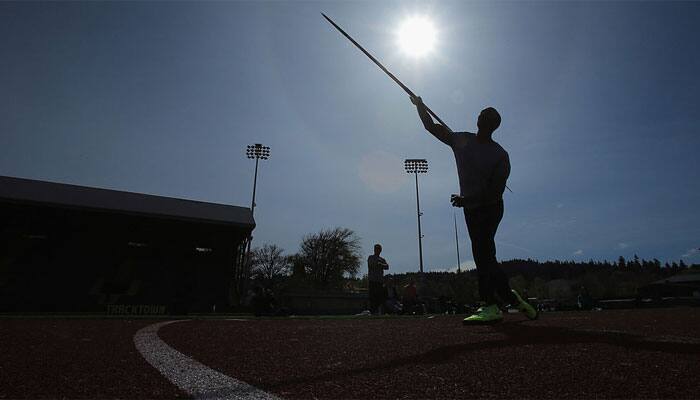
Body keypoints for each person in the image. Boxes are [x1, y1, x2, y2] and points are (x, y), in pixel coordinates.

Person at [411, 96, 537, 324]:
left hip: (489, 209)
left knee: (483, 254)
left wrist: (466, 199)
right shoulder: (462, 140)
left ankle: (490, 305)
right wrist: (420, 107)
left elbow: (495, 192)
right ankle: (510, 298)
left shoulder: (499, 154)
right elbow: (431, 128)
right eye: (482, 114)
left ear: (490, 124)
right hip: (471, 208)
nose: (482, 117)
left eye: (486, 116)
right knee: (486, 257)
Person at [367, 243, 389, 315]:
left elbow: (387, 266)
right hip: (372, 280)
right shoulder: (371, 257)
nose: (377, 250)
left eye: (379, 249)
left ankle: (378, 311)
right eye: (376, 249)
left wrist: (381, 264)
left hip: (379, 281)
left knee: (380, 297)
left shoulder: (382, 259)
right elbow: (372, 265)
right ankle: (372, 312)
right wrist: (379, 264)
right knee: (372, 297)